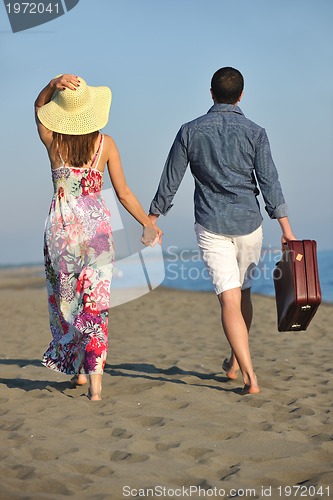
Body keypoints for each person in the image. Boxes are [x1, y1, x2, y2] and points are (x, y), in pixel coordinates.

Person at [148, 67, 296, 394]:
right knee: (242, 294)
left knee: (229, 300)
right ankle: (235, 363)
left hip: (211, 224)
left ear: (211, 93)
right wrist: (286, 229)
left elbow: (170, 179)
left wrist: (153, 218)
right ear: (241, 95)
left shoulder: (190, 130)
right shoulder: (256, 132)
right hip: (250, 225)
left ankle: (248, 375)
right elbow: (270, 183)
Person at [35, 74, 161, 401]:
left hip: (61, 230)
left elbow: (37, 107)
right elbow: (124, 193)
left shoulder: (53, 141)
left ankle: (76, 366)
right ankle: (95, 385)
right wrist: (147, 222)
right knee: (95, 304)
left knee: (67, 303)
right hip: (97, 231)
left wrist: (52, 84)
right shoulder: (106, 144)